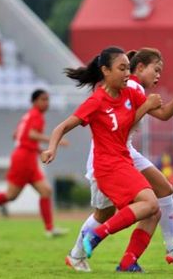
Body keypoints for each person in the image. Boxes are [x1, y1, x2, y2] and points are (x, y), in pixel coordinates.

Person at [65, 48, 173, 272]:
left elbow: (162, 114)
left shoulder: (134, 88)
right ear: (141, 67)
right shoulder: (131, 86)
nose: (158, 76)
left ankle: (152, 254)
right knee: (105, 213)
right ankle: (78, 253)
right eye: (156, 70)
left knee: (162, 191)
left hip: (126, 152)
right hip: (108, 155)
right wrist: (146, 106)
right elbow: (122, 126)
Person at [42, 46, 166, 272]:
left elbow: (148, 118)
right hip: (106, 166)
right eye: (122, 68)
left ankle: (125, 262)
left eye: (128, 68)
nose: (127, 73)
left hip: (124, 161)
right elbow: (64, 126)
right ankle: (93, 240)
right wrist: (52, 148)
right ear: (105, 71)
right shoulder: (97, 101)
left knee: (149, 209)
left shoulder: (129, 92)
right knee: (145, 205)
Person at [0, 89, 69, 237]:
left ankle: (49, 229)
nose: (46, 103)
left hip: (25, 156)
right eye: (43, 99)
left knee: (45, 191)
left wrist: (35, 149)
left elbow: (16, 135)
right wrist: (55, 141)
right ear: (35, 102)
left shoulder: (28, 116)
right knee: (11, 195)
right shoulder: (37, 116)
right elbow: (31, 134)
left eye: (47, 99)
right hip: (23, 160)